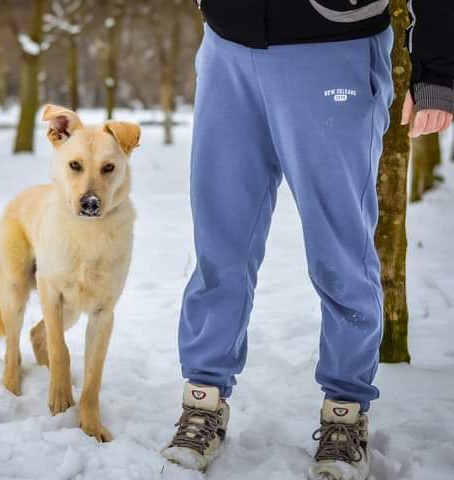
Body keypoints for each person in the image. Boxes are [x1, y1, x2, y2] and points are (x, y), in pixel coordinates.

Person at [161, 1, 453, 479]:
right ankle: (203, 399)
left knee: (340, 250)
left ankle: (345, 410)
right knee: (220, 243)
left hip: (334, 47)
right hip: (227, 47)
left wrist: (439, 68)